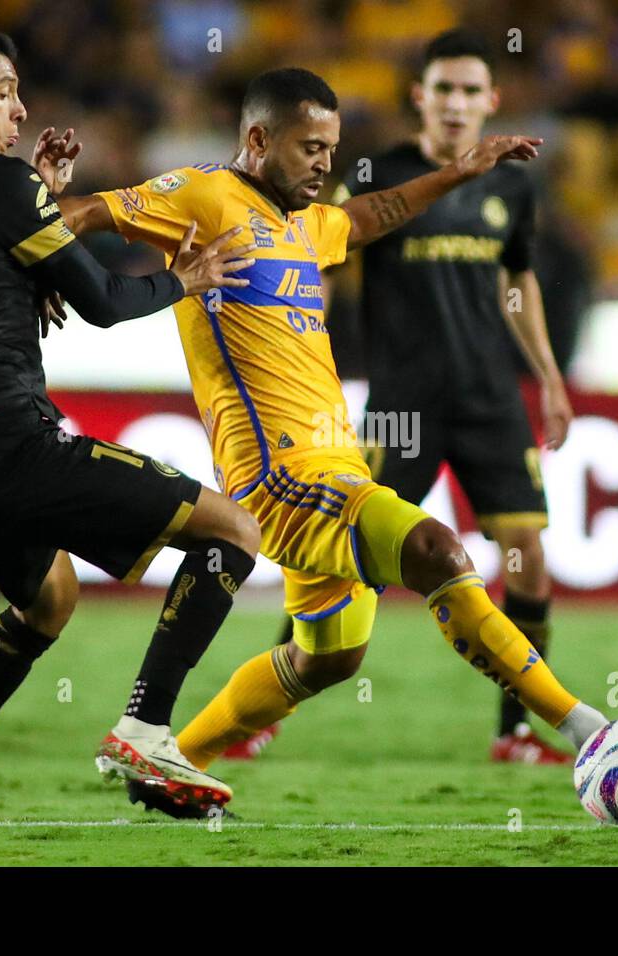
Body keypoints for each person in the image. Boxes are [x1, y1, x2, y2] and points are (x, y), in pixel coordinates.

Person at [57, 66, 612, 815]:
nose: (325, 162)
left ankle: (173, 762)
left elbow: (374, 213)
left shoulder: (305, 225)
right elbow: (80, 212)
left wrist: (458, 172)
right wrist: (41, 271)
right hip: (278, 476)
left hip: (333, 462)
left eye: (333, 148)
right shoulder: (202, 194)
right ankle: (586, 729)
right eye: (309, 146)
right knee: (439, 551)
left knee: (330, 657)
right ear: (257, 139)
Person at [0, 26, 261, 821]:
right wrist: (182, 277)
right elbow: (104, 304)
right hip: (12, 440)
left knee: (46, 601)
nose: (20, 110)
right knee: (232, 531)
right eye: (5, 91)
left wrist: (38, 204)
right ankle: (147, 728)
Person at [243, 28, 575, 765]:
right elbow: (317, 268)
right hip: (403, 403)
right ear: (419, 96)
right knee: (341, 559)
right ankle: (261, 714)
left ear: (491, 100)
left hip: (490, 396)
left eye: (470, 91)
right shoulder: (376, 175)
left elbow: (517, 284)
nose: (456, 104)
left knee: (528, 558)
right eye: (443, 89)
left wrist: (549, 377)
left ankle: (514, 730)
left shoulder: (514, 184)